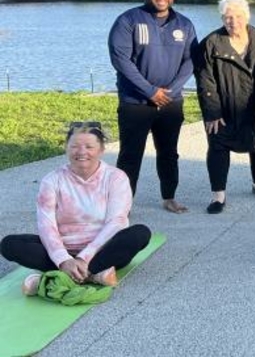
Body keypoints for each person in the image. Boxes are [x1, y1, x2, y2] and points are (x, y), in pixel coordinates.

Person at [0, 123, 151, 294]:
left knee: (140, 233)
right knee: (9, 244)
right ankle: (93, 275)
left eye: (89, 147)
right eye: (75, 146)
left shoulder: (116, 178)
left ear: (101, 149)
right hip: (62, 250)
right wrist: (64, 259)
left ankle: (54, 278)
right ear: (66, 148)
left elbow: (116, 222)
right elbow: (46, 225)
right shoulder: (52, 180)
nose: (81, 152)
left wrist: (83, 258)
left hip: (103, 251)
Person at [107, 0, 197, 214]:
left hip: (170, 102)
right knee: (130, 155)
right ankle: (122, 206)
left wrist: (171, 91)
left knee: (169, 153)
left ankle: (169, 197)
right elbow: (121, 60)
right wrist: (150, 91)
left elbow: (191, 61)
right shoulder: (128, 21)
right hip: (135, 103)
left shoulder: (184, 24)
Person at [194, 0, 255, 214]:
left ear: (247, 16)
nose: (233, 21)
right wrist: (211, 112)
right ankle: (218, 196)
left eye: (238, 16)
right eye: (228, 17)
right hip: (223, 108)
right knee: (218, 147)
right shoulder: (211, 43)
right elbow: (204, 79)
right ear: (222, 18)